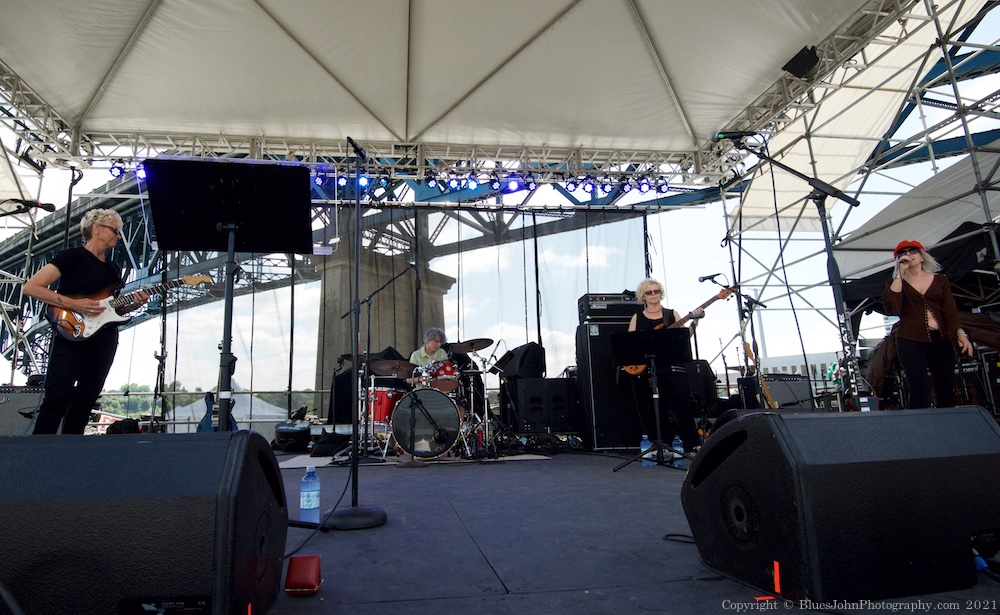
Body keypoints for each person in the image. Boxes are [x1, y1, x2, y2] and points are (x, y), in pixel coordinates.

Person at [22, 209, 149, 434]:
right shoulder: (71, 257)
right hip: (70, 331)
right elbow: (32, 287)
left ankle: (72, 451)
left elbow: (111, 306)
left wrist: (132, 305)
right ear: (96, 228)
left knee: (87, 398)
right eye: (115, 230)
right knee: (57, 396)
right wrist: (75, 305)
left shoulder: (113, 269)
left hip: (104, 338)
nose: (118, 236)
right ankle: (38, 452)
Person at [882, 239, 972, 409]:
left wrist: (961, 334)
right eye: (903, 253)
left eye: (912, 251)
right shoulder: (896, 283)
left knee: (945, 387)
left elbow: (950, 311)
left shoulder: (940, 280)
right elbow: (892, 307)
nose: (908, 255)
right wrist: (899, 274)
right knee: (919, 388)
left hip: (941, 338)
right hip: (910, 339)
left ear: (922, 256)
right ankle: (921, 430)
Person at [627, 278, 703, 453]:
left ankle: (692, 444)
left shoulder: (671, 314)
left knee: (682, 405)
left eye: (657, 291)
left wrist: (695, 322)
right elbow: (630, 343)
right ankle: (661, 444)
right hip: (651, 370)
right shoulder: (637, 318)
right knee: (655, 408)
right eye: (649, 292)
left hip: (673, 367)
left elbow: (683, 337)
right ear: (643, 296)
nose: (654, 294)